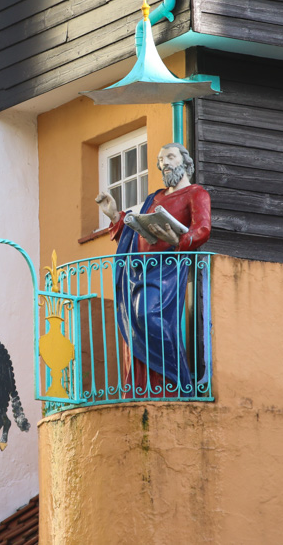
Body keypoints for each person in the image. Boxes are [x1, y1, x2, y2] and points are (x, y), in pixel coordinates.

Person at [95, 142, 211, 398]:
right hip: (138, 270)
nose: (165, 163)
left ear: (185, 162)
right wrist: (115, 216)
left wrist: (177, 240)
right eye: (161, 159)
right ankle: (142, 387)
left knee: (148, 317)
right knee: (132, 323)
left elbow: (203, 229)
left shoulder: (196, 193)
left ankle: (174, 381)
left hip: (167, 269)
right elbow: (135, 228)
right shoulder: (154, 197)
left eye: (171, 157)